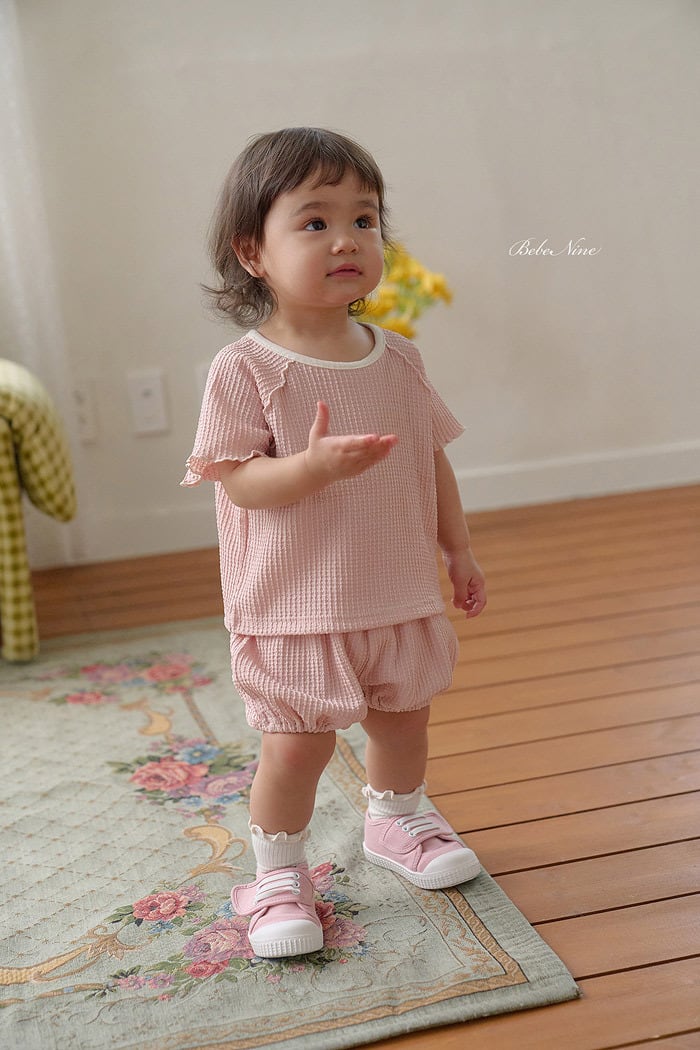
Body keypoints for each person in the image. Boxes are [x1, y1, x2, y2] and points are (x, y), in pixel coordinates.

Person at [182, 127, 487, 960]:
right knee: (299, 744)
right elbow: (238, 481)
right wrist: (310, 469)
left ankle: (396, 819)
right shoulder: (246, 369)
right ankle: (277, 874)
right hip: (295, 603)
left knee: (405, 718)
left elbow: (430, 460)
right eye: (315, 222)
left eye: (364, 219)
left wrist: (457, 549)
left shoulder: (399, 360)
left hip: (395, 588)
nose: (347, 239)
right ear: (253, 252)